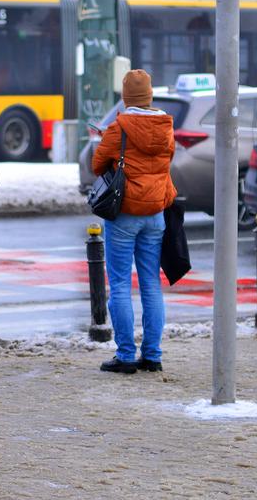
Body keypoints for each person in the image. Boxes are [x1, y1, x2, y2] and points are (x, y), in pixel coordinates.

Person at [91, 69, 177, 375]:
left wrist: (112, 148)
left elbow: (97, 164)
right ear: (149, 95)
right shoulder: (166, 126)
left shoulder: (119, 127)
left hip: (125, 212)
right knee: (151, 283)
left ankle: (126, 355)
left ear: (126, 97)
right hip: (155, 213)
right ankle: (152, 355)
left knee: (120, 284)